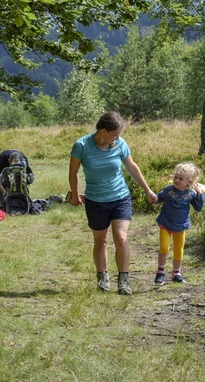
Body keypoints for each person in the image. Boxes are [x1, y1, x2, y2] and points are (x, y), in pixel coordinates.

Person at [69, 111, 157, 295]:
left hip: (120, 197)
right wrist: (76, 195)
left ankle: (124, 281)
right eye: (114, 134)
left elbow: (132, 167)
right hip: (95, 200)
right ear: (103, 131)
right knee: (100, 242)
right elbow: (73, 172)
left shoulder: (120, 144)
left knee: (121, 238)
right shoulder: (81, 146)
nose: (117, 137)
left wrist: (147, 189)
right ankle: (102, 279)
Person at [152, 162, 204, 285]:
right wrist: (154, 199)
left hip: (181, 226)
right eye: (176, 177)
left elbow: (198, 208)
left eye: (181, 179)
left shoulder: (191, 194)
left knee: (178, 250)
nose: (176, 180)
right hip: (165, 223)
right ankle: (161, 271)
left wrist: (200, 193)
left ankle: (176, 273)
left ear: (189, 182)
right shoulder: (169, 190)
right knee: (164, 248)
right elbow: (160, 197)